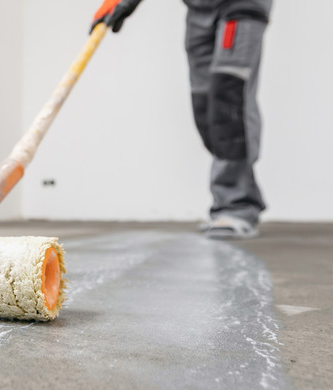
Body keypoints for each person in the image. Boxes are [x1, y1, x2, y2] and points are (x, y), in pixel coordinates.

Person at [92, 0, 273, 239]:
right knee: (205, 108)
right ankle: (237, 198)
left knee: (228, 101)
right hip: (199, 9)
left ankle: (236, 206)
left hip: (239, 6)